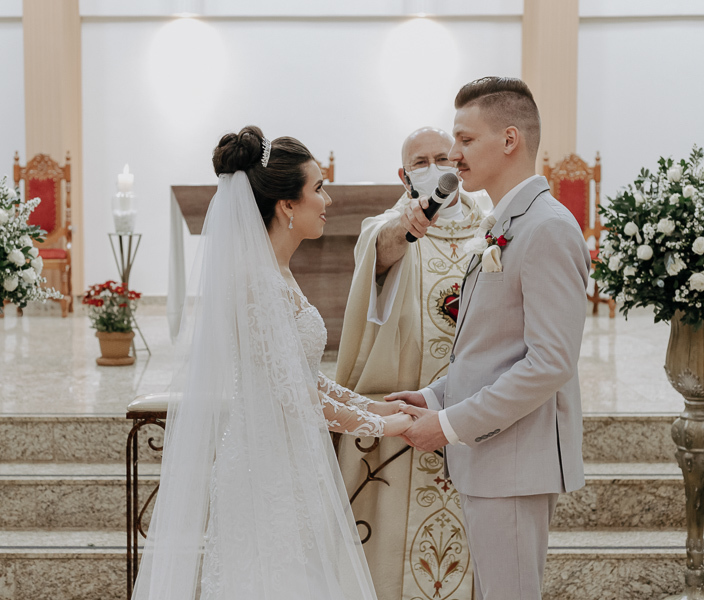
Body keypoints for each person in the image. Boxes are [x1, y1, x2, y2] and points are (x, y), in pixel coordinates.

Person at [131, 126, 414, 600]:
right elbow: (292, 394)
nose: (329, 199)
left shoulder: (277, 271)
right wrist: (381, 426)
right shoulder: (256, 282)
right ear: (287, 205)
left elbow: (304, 375)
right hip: (265, 466)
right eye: (318, 189)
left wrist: (378, 408)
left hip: (289, 457)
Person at [390, 77, 590, 599]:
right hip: (495, 461)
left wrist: (450, 424)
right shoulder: (506, 222)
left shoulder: (547, 227)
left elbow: (549, 363)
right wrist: (435, 396)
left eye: (465, 140)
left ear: (509, 140)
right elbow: (493, 345)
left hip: (516, 463)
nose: (453, 156)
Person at [334, 127, 487, 600]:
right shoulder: (389, 225)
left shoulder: (493, 225)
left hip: (474, 415)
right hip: (404, 415)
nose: (433, 168)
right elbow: (381, 251)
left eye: (442, 157)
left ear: (459, 165)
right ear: (404, 175)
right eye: (420, 162)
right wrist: (405, 229)